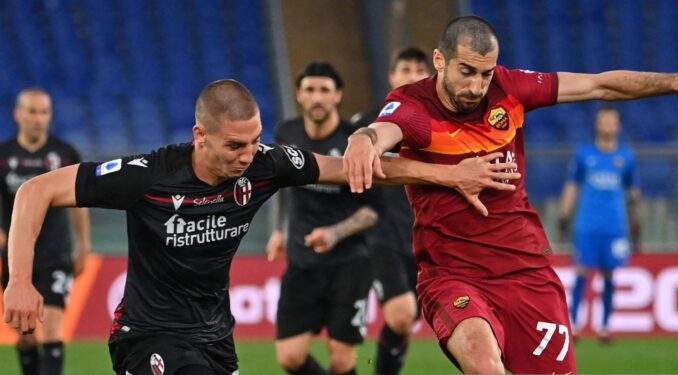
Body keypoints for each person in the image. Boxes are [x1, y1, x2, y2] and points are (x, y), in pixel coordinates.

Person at [3, 79, 518, 375]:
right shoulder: (148, 176)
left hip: (214, 337)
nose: (248, 156)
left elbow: (358, 171)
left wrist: (448, 174)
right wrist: (20, 280)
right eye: (234, 146)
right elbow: (35, 191)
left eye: (254, 142)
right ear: (199, 135)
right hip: (147, 334)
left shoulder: (266, 163)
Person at [343, 15, 678, 375]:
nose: (476, 86)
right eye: (466, 71)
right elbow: (382, 134)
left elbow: (601, 86)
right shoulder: (414, 105)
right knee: (484, 366)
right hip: (453, 274)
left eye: (484, 74)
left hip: (526, 272)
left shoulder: (510, 88)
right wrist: (364, 140)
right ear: (439, 61)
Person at [266, 62, 377, 375]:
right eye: (310, 90)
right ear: (300, 95)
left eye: (325, 91)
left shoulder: (352, 143)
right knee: (290, 357)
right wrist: (279, 230)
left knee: (342, 361)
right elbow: (281, 185)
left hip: (349, 263)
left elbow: (372, 210)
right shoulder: (286, 133)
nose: (317, 97)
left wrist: (334, 233)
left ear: (337, 96)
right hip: (302, 263)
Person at [350, 47, 431, 375]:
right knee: (400, 314)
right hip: (381, 236)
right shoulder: (368, 124)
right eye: (404, 69)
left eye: (418, 70)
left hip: (425, 237)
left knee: (406, 321)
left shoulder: (437, 128)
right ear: (392, 77)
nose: (411, 75)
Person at [0, 88, 91, 375]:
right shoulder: (3, 156)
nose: (39, 118)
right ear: (18, 114)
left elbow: (80, 203)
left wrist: (84, 245)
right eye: (32, 111)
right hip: (16, 258)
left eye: (44, 112)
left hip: (56, 253)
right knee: (26, 334)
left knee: (51, 329)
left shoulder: (64, 154)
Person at [558, 106, 641, 343]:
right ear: (597, 124)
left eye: (611, 121)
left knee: (609, 275)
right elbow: (572, 186)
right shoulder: (584, 154)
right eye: (603, 120)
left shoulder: (626, 157)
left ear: (618, 126)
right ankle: (574, 325)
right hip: (587, 225)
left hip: (615, 226)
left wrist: (636, 222)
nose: (607, 125)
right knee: (581, 272)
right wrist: (564, 216)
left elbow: (633, 192)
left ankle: (605, 327)